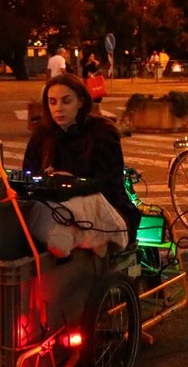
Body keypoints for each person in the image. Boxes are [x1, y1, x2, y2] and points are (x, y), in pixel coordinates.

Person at [21, 73, 141, 242]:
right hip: (53, 208)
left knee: (64, 228)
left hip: (106, 207)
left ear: (81, 101)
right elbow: (26, 178)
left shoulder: (102, 132)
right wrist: (45, 180)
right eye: (52, 102)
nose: (58, 108)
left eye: (66, 101)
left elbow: (110, 185)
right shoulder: (42, 134)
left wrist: (74, 183)